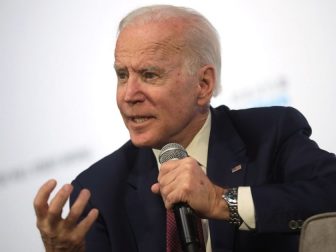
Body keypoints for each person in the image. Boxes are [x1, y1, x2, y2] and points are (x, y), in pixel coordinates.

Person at [33, 4, 336, 252]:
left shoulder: (269, 135)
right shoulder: (98, 190)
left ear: (203, 85)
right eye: (122, 75)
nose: (129, 94)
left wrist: (222, 202)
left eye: (149, 75)